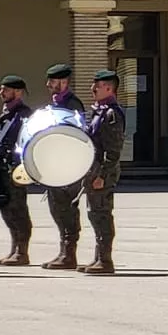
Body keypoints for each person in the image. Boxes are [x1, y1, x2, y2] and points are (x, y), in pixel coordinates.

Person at [79, 70, 127, 275]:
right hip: (94, 170)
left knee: (102, 215)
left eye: (97, 86)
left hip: (102, 172)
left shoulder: (112, 114)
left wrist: (103, 175)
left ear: (109, 88)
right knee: (94, 214)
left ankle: (105, 260)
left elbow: (113, 150)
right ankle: (98, 258)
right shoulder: (100, 111)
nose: (93, 89)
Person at [40, 64, 87, 270]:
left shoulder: (72, 104)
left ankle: (69, 254)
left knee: (67, 208)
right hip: (56, 163)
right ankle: (64, 252)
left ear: (64, 82)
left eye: (53, 81)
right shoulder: (55, 104)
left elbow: (77, 132)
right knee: (56, 207)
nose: (48, 85)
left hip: (69, 164)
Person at [0, 75, 33, 266]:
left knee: (19, 209)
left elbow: (26, 143)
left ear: (18, 92)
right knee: (7, 209)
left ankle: (22, 252)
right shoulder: (7, 112)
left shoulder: (23, 114)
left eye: (6, 89)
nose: (1, 92)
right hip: (3, 167)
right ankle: (14, 248)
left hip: (16, 168)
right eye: (1, 89)